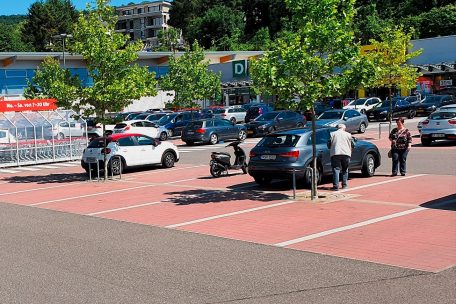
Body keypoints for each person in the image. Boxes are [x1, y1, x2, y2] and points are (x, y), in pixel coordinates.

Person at [328, 124, 354, 191]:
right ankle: (344, 185)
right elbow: (353, 144)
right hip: (346, 153)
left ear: (338, 128)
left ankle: (336, 186)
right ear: (344, 128)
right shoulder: (348, 134)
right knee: (345, 169)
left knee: (336, 169)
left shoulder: (332, 134)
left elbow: (328, 145)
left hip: (335, 153)